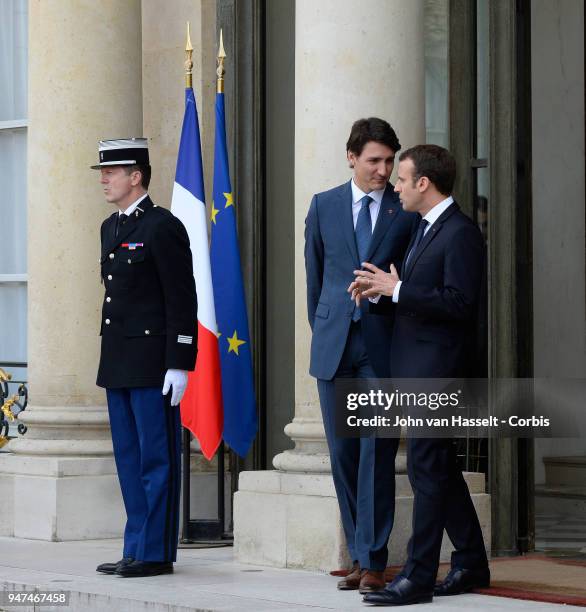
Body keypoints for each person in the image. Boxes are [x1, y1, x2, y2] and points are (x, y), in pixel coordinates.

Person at [350, 144, 490, 606]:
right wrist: (382, 292)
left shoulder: (461, 233)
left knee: (426, 471)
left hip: (439, 373)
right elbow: (416, 297)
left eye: (404, 179)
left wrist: (400, 288)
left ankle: (418, 577)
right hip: (414, 368)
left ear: (424, 184)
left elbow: (460, 304)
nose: (397, 186)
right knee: (440, 469)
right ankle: (470, 561)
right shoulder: (424, 228)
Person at [305, 118, 417, 593]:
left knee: (377, 451)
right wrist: (328, 325)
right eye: (374, 160)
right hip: (334, 343)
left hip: (381, 347)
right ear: (351, 157)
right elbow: (314, 277)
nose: (383, 170)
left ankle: (374, 559)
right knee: (343, 455)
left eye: (390, 161)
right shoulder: (324, 204)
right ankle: (357, 552)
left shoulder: (403, 209)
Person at [92, 138, 197, 578]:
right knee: (129, 460)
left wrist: (180, 362)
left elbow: (181, 297)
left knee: (157, 458)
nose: (104, 178)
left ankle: (155, 552)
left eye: (112, 171)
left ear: (136, 176)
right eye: (103, 171)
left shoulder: (162, 226)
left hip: (155, 363)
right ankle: (135, 546)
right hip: (119, 361)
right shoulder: (109, 227)